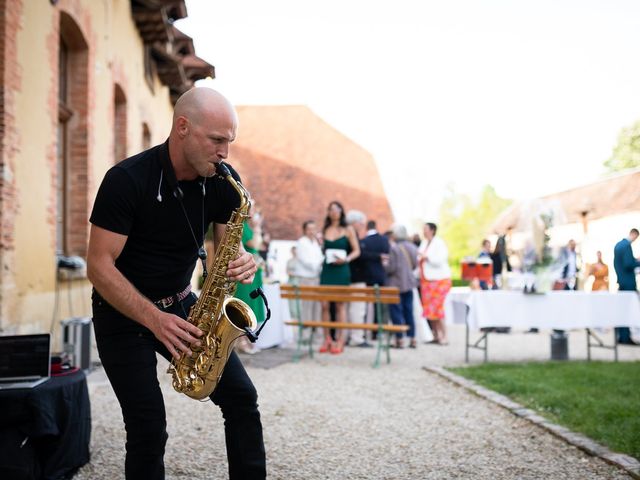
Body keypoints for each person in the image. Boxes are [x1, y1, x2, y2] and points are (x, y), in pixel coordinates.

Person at [87, 87, 266, 479]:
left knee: (242, 398)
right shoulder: (126, 180)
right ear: (182, 127)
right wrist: (154, 320)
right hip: (121, 313)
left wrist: (241, 263)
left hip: (183, 303)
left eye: (229, 142)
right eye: (217, 140)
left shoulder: (223, 181)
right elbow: (98, 266)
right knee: (148, 426)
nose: (225, 153)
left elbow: (224, 253)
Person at [319, 201, 360, 353]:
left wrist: (346, 259)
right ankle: (327, 339)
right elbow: (323, 250)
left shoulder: (348, 229)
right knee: (324, 305)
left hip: (342, 269)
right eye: (331, 209)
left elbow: (357, 251)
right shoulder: (325, 229)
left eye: (336, 209)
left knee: (340, 305)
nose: (333, 212)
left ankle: (340, 340)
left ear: (342, 211)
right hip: (327, 269)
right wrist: (320, 244)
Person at [234, 203, 265, 355]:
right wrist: (258, 228)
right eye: (253, 209)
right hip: (245, 272)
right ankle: (240, 340)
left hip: (254, 270)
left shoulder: (248, 226)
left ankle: (245, 339)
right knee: (244, 302)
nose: (255, 213)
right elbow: (255, 244)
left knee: (252, 303)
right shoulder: (243, 226)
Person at [385, 224, 419, 348]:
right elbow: (415, 265)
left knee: (396, 311)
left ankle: (399, 339)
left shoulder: (394, 248)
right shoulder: (413, 247)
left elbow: (391, 268)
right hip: (409, 283)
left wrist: (384, 265)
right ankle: (412, 338)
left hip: (395, 285)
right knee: (409, 311)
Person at [418, 222, 452, 345]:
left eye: (426, 229)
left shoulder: (439, 243)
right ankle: (436, 335)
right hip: (426, 281)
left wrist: (426, 257)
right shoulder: (424, 243)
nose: (424, 231)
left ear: (432, 230)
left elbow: (440, 259)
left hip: (439, 280)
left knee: (438, 309)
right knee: (429, 310)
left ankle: (444, 335)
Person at [345, 210, 371, 347]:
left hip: (350, 278)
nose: (362, 225)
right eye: (361, 223)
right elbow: (358, 256)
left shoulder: (345, 234)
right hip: (355, 278)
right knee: (357, 309)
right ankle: (356, 337)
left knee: (351, 308)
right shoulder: (352, 235)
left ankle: (351, 336)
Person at [292, 220, 324, 322]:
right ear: (305, 230)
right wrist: (318, 266)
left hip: (316, 278)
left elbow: (320, 257)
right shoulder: (301, 242)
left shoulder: (316, 243)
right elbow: (304, 260)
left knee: (316, 307)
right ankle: (306, 334)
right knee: (306, 306)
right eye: (309, 229)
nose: (311, 231)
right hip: (305, 278)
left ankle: (316, 334)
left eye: (313, 229)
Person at [613, 228, 640, 345]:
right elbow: (628, 264)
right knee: (628, 310)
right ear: (634, 234)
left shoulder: (618, 245)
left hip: (622, 281)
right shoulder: (626, 246)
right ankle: (625, 337)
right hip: (628, 282)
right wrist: (638, 262)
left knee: (622, 310)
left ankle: (621, 336)